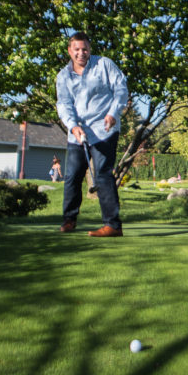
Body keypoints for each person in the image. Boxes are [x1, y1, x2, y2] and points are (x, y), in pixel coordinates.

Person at [55, 32, 128, 237]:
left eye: (84, 49)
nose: (81, 53)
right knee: (72, 177)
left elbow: (121, 89)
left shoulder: (104, 65)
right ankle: (69, 220)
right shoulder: (63, 76)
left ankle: (113, 225)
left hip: (104, 129)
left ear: (90, 49)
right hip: (78, 132)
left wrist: (114, 113)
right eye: (76, 49)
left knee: (103, 174)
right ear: (70, 51)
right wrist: (72, 126)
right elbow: (64, 105)